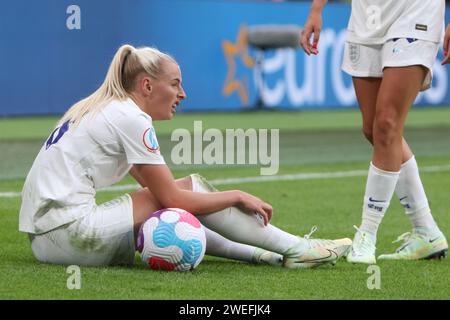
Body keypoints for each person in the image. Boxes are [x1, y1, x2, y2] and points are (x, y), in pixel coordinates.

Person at [19, 44, 351, 269]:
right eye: (175, 84)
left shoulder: (105, 108)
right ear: (147, 86)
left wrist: (183, 198)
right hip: (70, 236)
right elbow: (174, 196)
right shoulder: (130, 117)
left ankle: (267, 255)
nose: (182, 94)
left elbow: (169, 200)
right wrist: (236, 195)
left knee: (177, 207)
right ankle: (298, 249)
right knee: (190, 188)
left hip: (46, 241)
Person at [301, 0, 449, 263]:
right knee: (374, 129)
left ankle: (367, 234)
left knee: (387, 124)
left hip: (415, 11)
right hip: (367, 17)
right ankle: (426, 230)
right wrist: (316, 9)